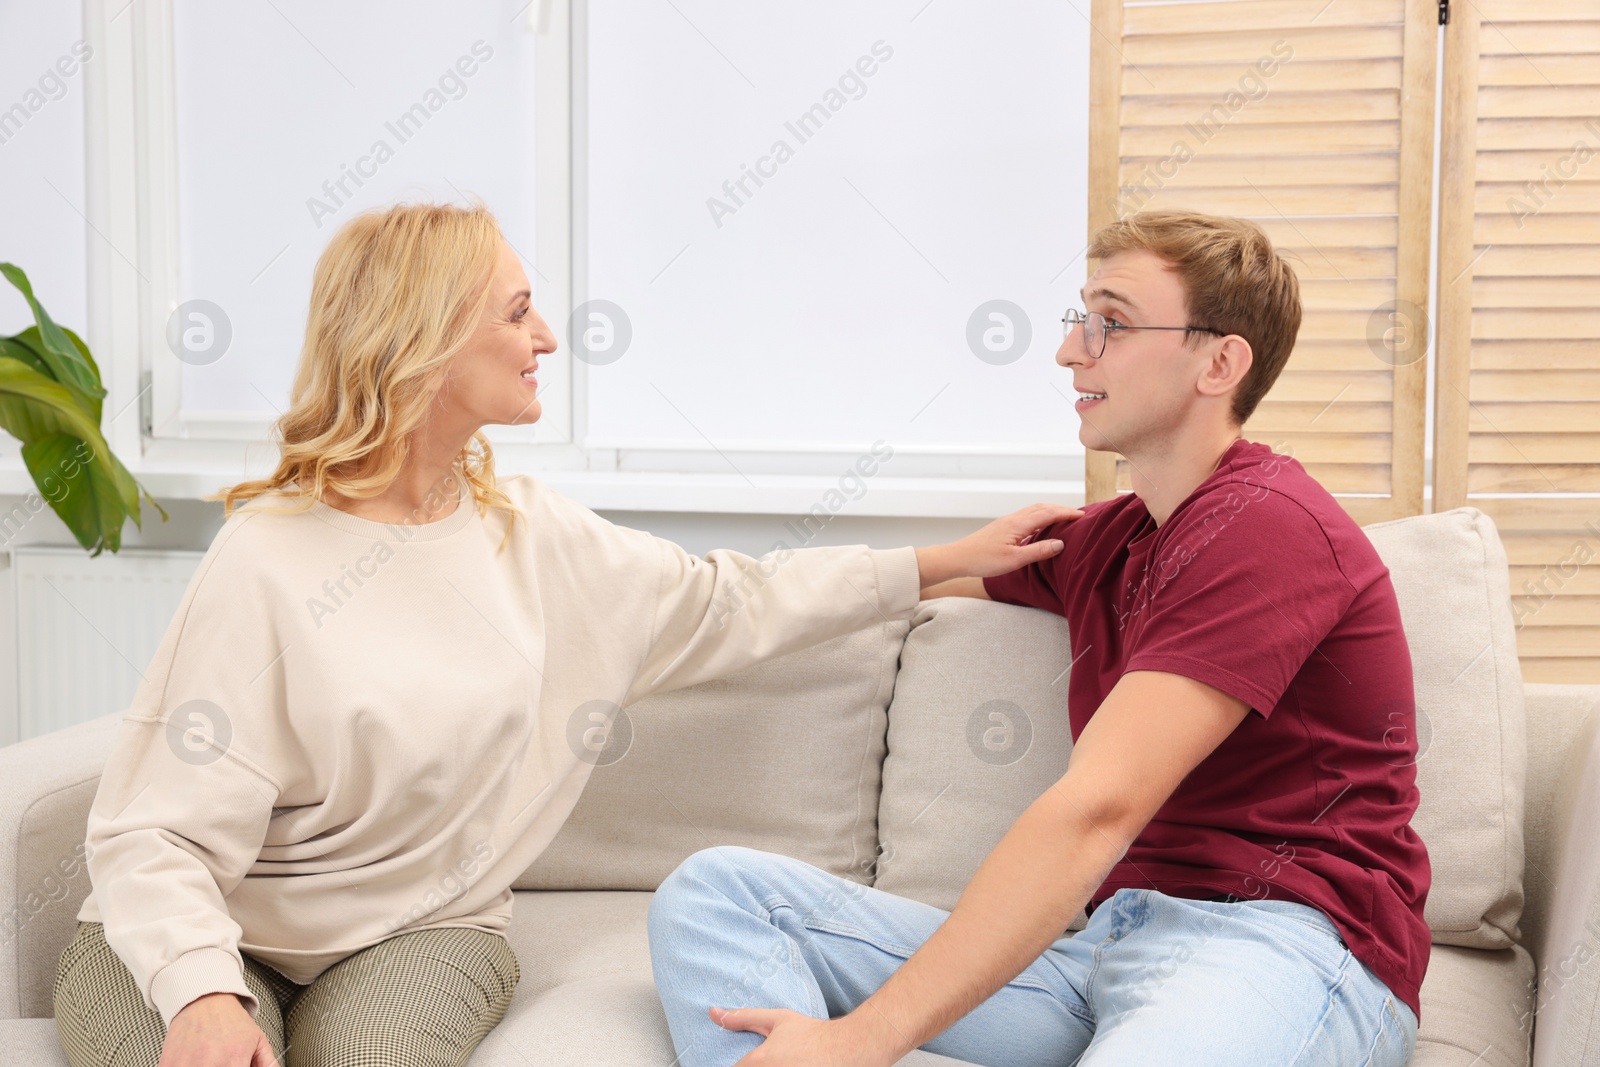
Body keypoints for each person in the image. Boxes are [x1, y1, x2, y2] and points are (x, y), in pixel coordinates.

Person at [51, 200, 1078, 1067]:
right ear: (423, 337)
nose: (547, 336)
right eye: (517, 310)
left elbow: (733, 601)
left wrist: (939, 561)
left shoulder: (532, 537)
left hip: (420, 929)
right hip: (205, 918)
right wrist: (196, 990)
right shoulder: (266, 558)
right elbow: (154, 828)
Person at [646, 209, 1431, 1067]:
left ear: (1220, 362)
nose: (1071, 352)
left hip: (1285, 946)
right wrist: (944, 555)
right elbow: (938, 578)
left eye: (1113, 324)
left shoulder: (1269, 528)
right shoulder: (1113, 541)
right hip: (1112, 945)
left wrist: (861, 1039)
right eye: (1079, 319)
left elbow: (1098, 806)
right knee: (720, 894)